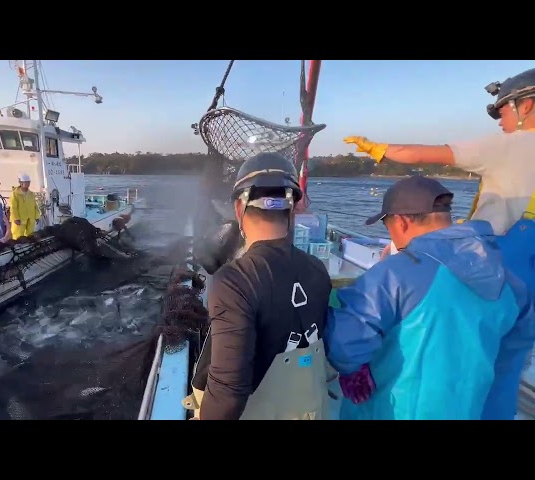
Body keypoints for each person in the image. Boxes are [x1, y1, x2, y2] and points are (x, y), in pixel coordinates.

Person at [323, 176, 535, 420]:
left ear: (400, 222)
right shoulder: (509, 277)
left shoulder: (394, 273)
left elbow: (346, 344)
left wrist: (352, 369)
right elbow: (513, 354)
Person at [343, 68, 535, 279]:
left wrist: (376, 148)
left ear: (526, 106)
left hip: (496, 265)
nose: (500, 122)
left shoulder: (510, 144)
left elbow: (416, 154)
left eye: (503, 112)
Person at [183, 152, 333, 420]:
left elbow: (228, 390)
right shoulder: (317, 269)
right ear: (292, 208)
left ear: (239, 209)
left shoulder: (234, 281)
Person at [9, 173, 40, 240]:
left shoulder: (31, 194)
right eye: (25, 182)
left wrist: (37, 216)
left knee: (30, 236)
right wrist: (16, 218)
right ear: (20, 182)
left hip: (30, 219)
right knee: (18, 237)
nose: (27, 184)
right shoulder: (15, 194)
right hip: (19, 220)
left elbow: (35, 205)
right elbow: (13, 207)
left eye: (28, 182)